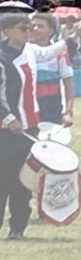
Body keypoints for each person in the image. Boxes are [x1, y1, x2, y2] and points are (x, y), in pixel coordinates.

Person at [0, 16, 33, 239]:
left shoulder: (30, 54)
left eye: (29, 28)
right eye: (23, 29)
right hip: (5, 130)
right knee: (2, 179)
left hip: (28, 130)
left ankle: (18, 227)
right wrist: (9, 119)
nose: (27, 32)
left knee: (24, 181)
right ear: (8, 31)